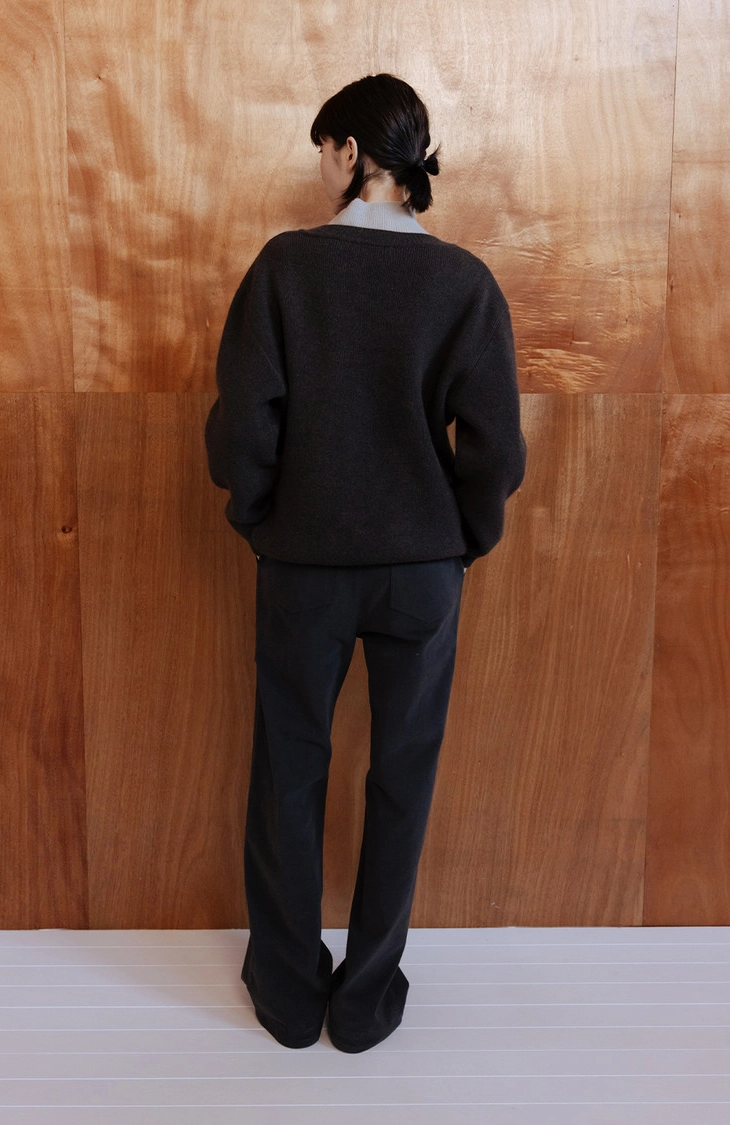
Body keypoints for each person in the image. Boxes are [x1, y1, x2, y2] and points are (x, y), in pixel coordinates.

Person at [205, 73, 526, 1053]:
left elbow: (243, 425)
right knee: (403, 776)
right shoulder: (464, 282)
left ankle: (288, 994)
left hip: (304, 562)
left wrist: (260, 516)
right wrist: (461, 537)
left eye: (323, 149)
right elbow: (496, 448)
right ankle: (367, 998)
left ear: (350, 153)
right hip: (421, 569)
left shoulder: (287, 268)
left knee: (289, 769)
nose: (320, 166)